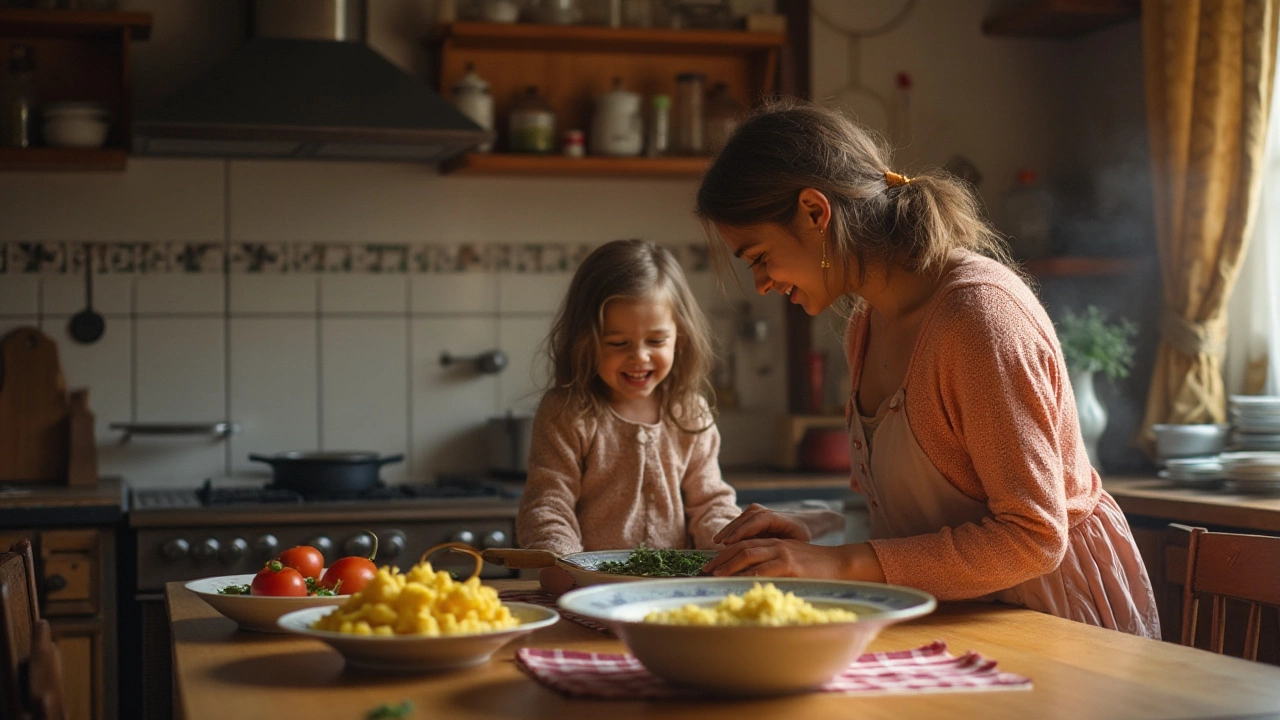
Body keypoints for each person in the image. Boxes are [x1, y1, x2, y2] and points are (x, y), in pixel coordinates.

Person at [695, 99, 1161, 639]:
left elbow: (1032, 536)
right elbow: (918, 524)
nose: (762, 284)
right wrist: (816, 542)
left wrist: (838, 565)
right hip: (957, 613)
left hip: (1050, 616)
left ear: (815, 212)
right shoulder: (865, 328)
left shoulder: (978, 317)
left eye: (757, 257)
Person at [515, 239, 742, 593]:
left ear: (679, 338)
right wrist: (564, 565)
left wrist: (732, 550)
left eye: (655, 341)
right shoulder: (568, 411)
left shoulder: (689, 410)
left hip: (673, 595)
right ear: (585, 341)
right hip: (590, 591)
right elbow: (549, 504)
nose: (639, 357)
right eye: (618, 343)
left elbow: (711, 503)